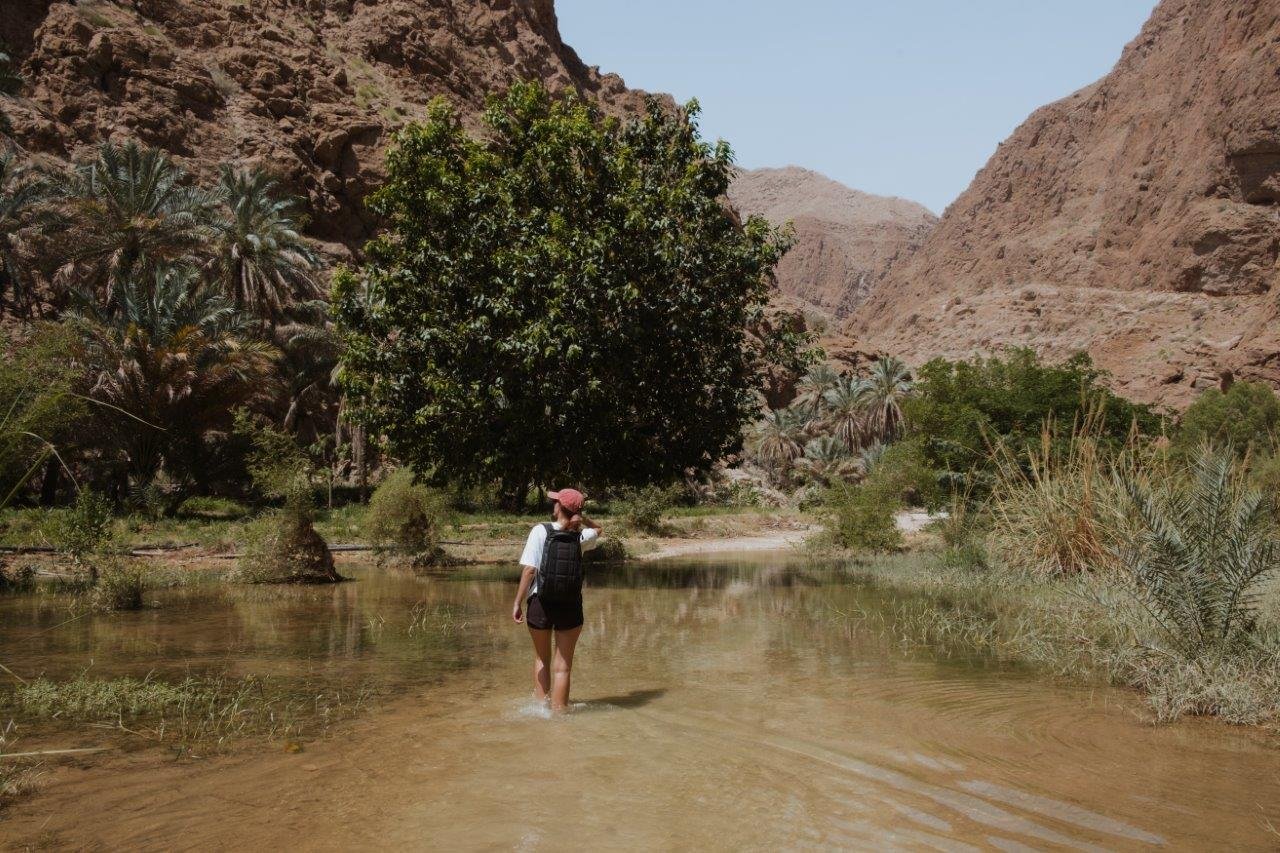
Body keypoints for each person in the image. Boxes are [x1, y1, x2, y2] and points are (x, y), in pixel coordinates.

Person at [511, 488, 602, 712]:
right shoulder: (580, 535)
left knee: (542, 659)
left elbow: (530, 570)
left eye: (556, 502)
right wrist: (581, 517)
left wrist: (517, 602)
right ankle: (560, 715)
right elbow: (599, 529)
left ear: (560, 507)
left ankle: (542, 711)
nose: (553, 505)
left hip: (540, 602)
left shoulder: (540, 531)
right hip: (570, 604)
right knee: (563, 668)